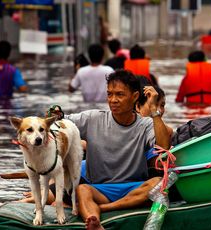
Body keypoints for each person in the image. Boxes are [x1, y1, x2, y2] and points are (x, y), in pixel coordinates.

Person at [66, 70, 170, 229]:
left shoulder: (146, 124)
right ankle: (95, 222)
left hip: (135, 187)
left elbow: (163, 147)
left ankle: (105, 209)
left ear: (134, 97)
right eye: (109, 94)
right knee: (82, 190)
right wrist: (55, 114)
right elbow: (61, 122)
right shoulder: (93, 118)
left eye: (120, 95)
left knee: (158, 183)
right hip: (102, 190)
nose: (113, 100)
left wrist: (155, 110)